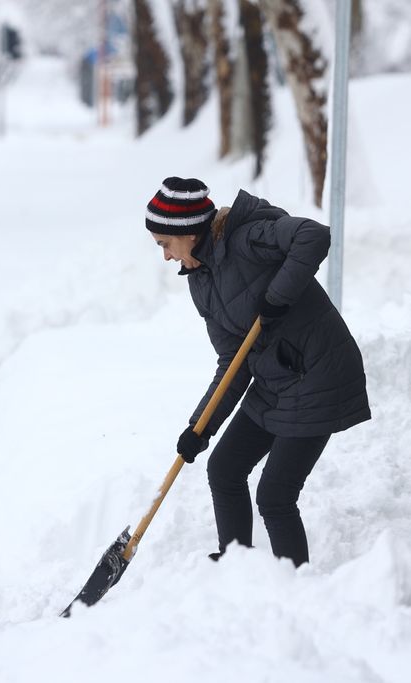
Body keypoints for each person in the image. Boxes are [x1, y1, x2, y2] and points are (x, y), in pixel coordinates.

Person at [145, 176, 371, 567]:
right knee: (224, 469)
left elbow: (313, 235)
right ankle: (237, 568)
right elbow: (233, 361)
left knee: (275, 496)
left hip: (318, 376)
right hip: (275, 378)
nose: (165, 256)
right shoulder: (201, 280)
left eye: (165, 244)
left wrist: (277, 298)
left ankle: (296, 588)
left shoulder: (247, 239)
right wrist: (200, 428)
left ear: (187, 232)